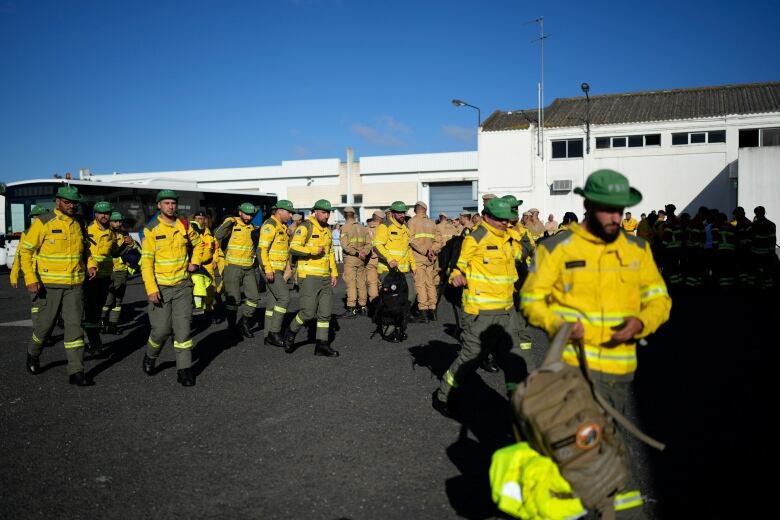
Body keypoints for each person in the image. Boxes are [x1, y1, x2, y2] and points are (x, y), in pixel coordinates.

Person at [520, 169, 672, 517]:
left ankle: (613, 506)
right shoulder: (557, 248)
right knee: (583, 445)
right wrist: (560, 324)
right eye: (608, 209)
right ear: (588, 205)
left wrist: (641, 322)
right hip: (573, 371)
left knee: (607, 442)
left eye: (621, 210)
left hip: (619, 371)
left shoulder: (637, 248)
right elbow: (531, 300)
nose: (617, 217)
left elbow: (659, 298)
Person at [432, 197, 527, 417]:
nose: (504, 222)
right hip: (480, 313)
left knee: (514, 359)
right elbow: (458, 266)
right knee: (471, 356)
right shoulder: (475, 238)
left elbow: (522, 258)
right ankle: (443, 395)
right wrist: (456, 276)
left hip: (507, 310)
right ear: (487, 217)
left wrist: (519, 234)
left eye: (507, 219)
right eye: (500, 219)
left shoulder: (509, 238)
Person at [19, 186, 97, 386]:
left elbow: (85, 249)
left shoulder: (80, 222)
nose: (72, 206)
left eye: (74, 203)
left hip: (75, 286)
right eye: (68, 202)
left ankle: (76, 371)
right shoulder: (43, 223)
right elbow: (26, 252)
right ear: (58, 201)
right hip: (49, 286)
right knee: (44, 328)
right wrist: (30, 278)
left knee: (75, 328)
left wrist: (91, 264)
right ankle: (33, 352)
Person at [140, 190, 203, 386]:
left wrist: (195, 261)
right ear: (159, 206)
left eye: (173, 203)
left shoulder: (184, 225)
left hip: (183, 286)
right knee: (161, 330)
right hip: (161, 287)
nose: (170, 206)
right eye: (166, 203)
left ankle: (184, 369)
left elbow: (199, 243)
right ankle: (151, 355)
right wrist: (151, 289)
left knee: (183, 330)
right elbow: (146, 262)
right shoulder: (151, 229)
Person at [283, 199, 339, 356]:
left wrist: (334, 272)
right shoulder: (306, 226)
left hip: (325, 277)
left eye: (328, 212)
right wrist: (312, 250)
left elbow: (330, 253)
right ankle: (291, 331)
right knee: (308, 312)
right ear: (316, 212)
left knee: (325, 313)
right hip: (308, 277)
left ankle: (321, 344)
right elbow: (293, 248)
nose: (326, 216)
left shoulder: (327, 230)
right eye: (323, 212)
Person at [84, 201, 131, 351]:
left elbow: (115, 253)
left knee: (98, 311)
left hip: (106, 277)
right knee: (90, 311)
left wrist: (126, 245)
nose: (104, 216)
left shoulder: (111, 233)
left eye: (107, 213)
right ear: (95, 214)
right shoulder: (87, 230)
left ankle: (93, 340)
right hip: (90, 277)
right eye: (101, 213)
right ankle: (93, 342)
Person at [215, 202, 261, 339]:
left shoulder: (253, 228)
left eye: (251, 215)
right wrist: (228, 222)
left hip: (249, 269)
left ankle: (245, 323)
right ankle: (232, 326)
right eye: (247, 214)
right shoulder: (232, 224)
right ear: (240, 212)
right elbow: (218, 235)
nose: (249, 217)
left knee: (254, 297)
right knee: (233, 300)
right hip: (233, 267)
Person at [259, 200, 294, 347]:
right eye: (289, 212)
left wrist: (287, 269)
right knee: (285, 298)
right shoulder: (270, 225)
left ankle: (267, 335)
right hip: (271, 269)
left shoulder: (283, 227)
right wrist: (268, 269)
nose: (291, 215)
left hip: (278, 269)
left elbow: (284, 252)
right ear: (279, 211)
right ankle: (274, 332)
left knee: (272, 303)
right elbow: (262, 250)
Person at [9, 205, 48, 330]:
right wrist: (14, 275)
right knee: (36, 303)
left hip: (50, 273)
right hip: (34, 275)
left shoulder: (51, 231)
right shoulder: (26, 233)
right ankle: (39, 330)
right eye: (35, 217)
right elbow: (19, 256)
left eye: (39, 217)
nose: (37, 219)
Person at [373, 201, 417, 310]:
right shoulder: (385, 226)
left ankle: (399, 316)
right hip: (388, 271)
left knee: (412, 295)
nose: (402, 215)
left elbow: (409, 249)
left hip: (405, 270)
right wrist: (389, 259)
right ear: (393, 213)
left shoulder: (405, 228)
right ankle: (388, 324)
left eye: (403, 212)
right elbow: (377, 245)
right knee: (392, 299)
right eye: (399, 213)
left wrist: (414, 266)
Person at [101, 211, 137, 334]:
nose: (119, 223)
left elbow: (135, 250)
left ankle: (113, 324)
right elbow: (111, 253)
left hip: (121, 271)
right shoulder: (106, 234)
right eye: (115, 221)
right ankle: (102, 320)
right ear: (110, 222)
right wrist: (123, 246)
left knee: (118, 299)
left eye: (120, 221)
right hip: (108, 270)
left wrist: (132, 244)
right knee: (108, 299)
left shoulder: (125, 234)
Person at [407, 201, 441, 322]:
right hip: (430, 259)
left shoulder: (412, 222)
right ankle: (433, 310)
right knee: (430, 284)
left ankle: (423, 311)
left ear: (415, 210)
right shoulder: (432, 223)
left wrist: (425, 251)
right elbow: (439, 241)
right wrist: (432, 251)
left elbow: (411, 240)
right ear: (425, 210)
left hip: (419, 258)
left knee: (420, 284)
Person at [340, 206, 372, 318]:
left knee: (351, 283)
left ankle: (351, 307)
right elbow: (369, 244)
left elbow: (345, 245)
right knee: (361, 282)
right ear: (354, 215)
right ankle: (363, 306)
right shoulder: (363, 228)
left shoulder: (345, 227)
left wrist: (357, 253)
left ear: (344, 215)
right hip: (362, 259)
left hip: (351, 258)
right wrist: (364, 252)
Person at [191, 210, 220, 322]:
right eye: (197, 218)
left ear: (205, 220)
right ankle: (189, 315)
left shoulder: (210, 233)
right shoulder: (191, 232)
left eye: (201, 218)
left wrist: (215, 261)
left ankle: (208, 312)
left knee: (210, 290)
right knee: (194, 291)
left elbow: (216, 249)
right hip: (195, 267)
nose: (199, 220)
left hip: (207, 266)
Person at [750, 206, 777, 293]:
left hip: (758, 254)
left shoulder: (754, 225)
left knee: (758, 272)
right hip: (764, 253)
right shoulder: (771, 224)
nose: (757, 215)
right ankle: (767, 289)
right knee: (766, 272)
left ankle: (758, 288)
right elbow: (772, 240)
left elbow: (772, 240)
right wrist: (771, 252)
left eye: (758, 213)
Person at [365, 210, 384, 312]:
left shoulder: (366, 230)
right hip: (383, 260)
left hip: (371, 259)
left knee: (372, 283)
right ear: (381, 219)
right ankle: (384, 302)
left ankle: (374, 305)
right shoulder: (384, 229)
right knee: (382, 283)